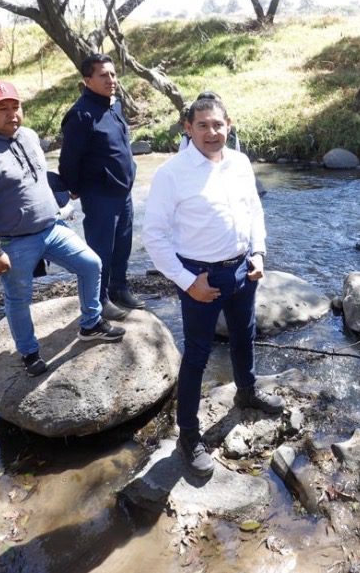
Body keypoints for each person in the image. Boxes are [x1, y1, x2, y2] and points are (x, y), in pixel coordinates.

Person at [143, 94, 283, 477]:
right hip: (200, 277)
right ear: (188, 128)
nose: (211, 132)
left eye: (217, 124)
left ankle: (246, 391)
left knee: (244, 335)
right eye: (202, 125)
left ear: (228, 125)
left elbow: (253, 210)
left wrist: (258, 252)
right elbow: (154, 236)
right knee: (197, 355)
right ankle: (188, 434)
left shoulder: (240, 162)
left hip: (242, 268)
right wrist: (189, 283)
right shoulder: (171, 174)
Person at [0, 79, 125, 377]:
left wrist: (66, 191)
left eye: (15, 106)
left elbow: (38, 178)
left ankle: (90, 324)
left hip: (52, 227)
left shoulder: (29, 136)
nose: (11, 114)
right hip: (12, 241)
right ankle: (29, 352)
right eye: (2, 109)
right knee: (19, 297)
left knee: (91, 264)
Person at [59, 53, 144, 322]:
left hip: (123, 191)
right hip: (99, 194)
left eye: (113, 74)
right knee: (101, 250)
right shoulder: (80, 115)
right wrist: (73, 187)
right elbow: (68, 159)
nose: (111, 80)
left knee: (122, 245)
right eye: (103, 75)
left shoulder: (114, 106)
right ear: (88, 80)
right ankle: (100, 299)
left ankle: (119, 287)